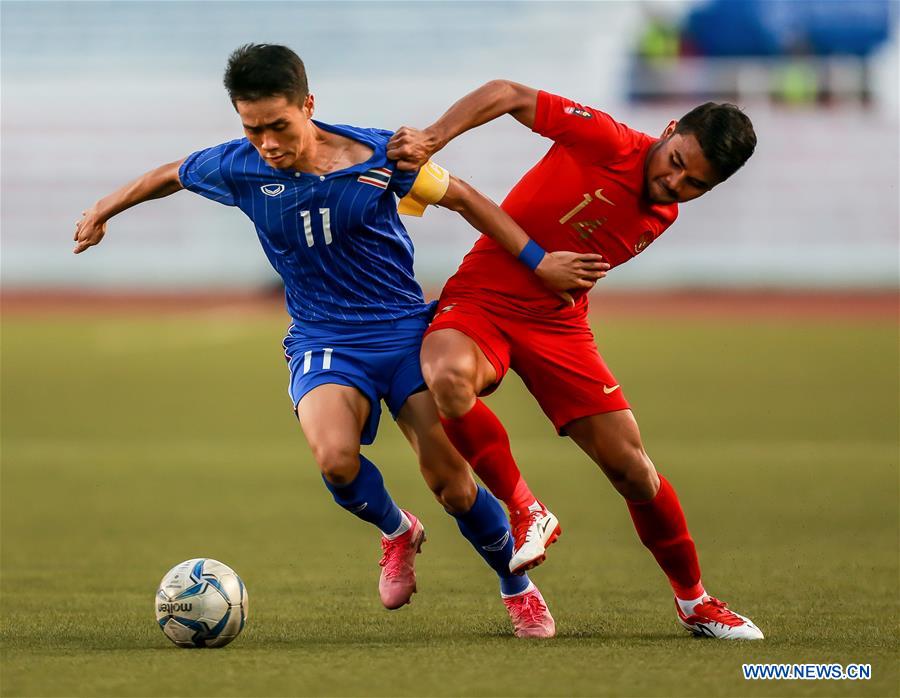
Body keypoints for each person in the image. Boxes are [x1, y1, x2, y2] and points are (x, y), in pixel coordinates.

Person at [73, 48, 606, 638]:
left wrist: (538, 262)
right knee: (334, 459)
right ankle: (398, 530)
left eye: (279, 125)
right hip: (324, 338)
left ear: (308, 105)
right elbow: (168, 174)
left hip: (404, 331)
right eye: (253, 129)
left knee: (453, 484)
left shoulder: (381, 154)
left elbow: (465, 199)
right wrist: (103, 209)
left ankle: (516, 586)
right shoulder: (237, 166)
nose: (268, 143)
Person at [387, 80, 764, 640]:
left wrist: (554, 277)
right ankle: (524, 508)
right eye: (676, 162)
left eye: (696, 184)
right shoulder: (607, 139)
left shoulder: (664, 212)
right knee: (446, 376)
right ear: (667, 132)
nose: (674, 182)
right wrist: (434, 137)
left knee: (633, 469)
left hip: (558, 325)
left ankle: (695, 602)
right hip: (484, 296)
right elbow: (508, 93)